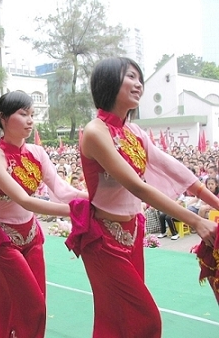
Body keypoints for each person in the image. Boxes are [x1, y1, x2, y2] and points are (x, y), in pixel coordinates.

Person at [65, 57, 218, 337]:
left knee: (116, 319)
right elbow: (138, 187)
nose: (139, 84)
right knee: (146, 319)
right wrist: (194, 221)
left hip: (133, 233)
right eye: (131, 77)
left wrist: (215, 202)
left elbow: (175, 169)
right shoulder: (95, 132)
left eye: (140, 78)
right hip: (103, 241)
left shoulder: (133, 131)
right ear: (109, 81)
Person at [0, 91, 87, 338]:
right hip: (4, 240)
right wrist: (75, 213)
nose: (30, 120)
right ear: (3, 118)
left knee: (16, 302)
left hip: (32, 236)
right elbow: (24, 200)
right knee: (34, 306)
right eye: (23, 114)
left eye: (32, 115)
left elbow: (62, 189)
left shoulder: (37, 153)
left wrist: (93, 201)